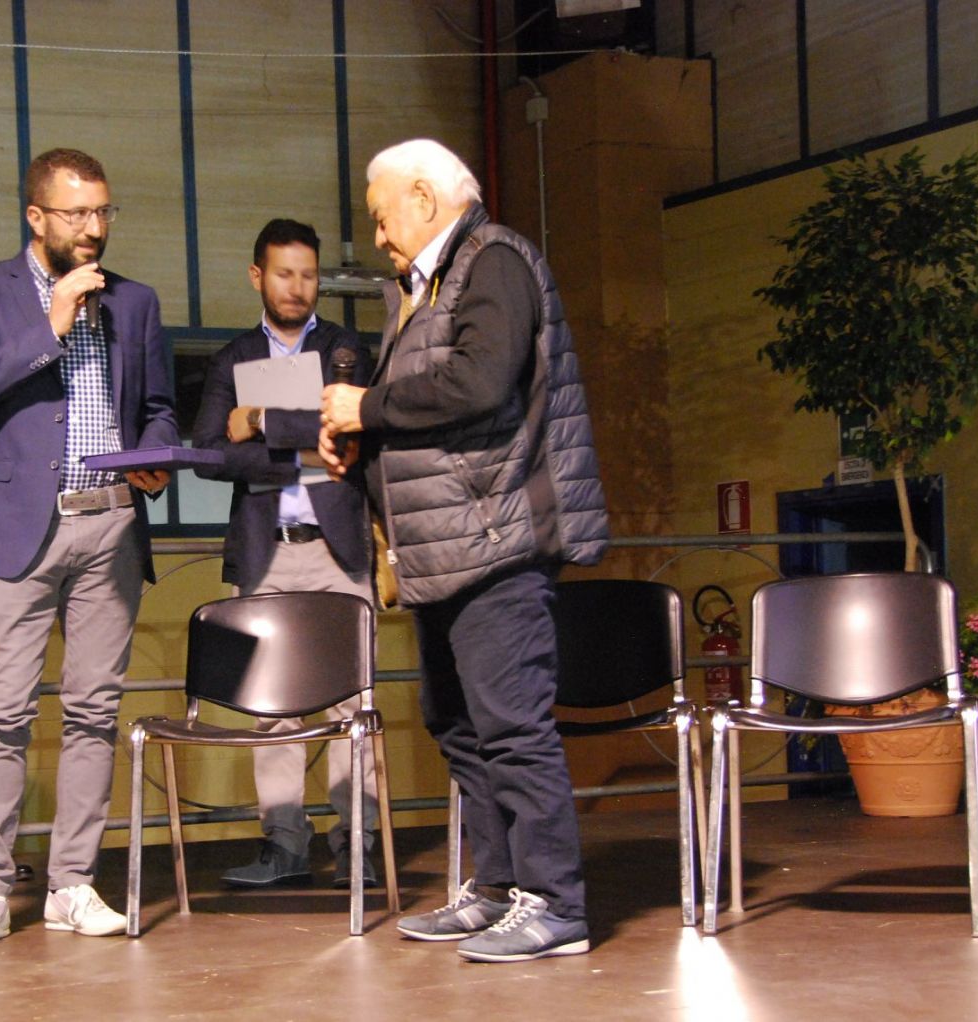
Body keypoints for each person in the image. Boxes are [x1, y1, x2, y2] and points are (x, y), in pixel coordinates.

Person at [320, 139, 609, 963]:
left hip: (495, 540)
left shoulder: (495, 261)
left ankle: (556, 904)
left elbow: (481, 382)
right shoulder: (429, 286)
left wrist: (367, 407)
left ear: (423, 196)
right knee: (457, 723)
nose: (379, 236)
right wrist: (360, 444)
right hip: (440, 548)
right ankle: (498, 889)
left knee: (512, 726)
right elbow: (428, 413)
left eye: (382, 217)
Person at [0, 148, 178, 950]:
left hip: (110, 523)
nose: (94, 227)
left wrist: (154, 455)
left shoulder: (135, 301)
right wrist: (51, 326)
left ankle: (72, 883)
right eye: (77, 213)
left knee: (93, 711)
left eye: (104, 211)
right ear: (36, 217)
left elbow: (158, 405)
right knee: (1, 711)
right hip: (17, 528)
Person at [190, 217, 380, 890]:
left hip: (338, 550)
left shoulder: (346, 351)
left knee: (352, 708)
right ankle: (284, 845)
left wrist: (263, 420)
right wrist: (302, 455)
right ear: (257, 277)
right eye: (283, 274)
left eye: (308, 275)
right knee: (273, 710)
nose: (297, 287)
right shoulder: (233, 358)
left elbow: (353, 437)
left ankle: (357, 845)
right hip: (266, 551)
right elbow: (209, 454)